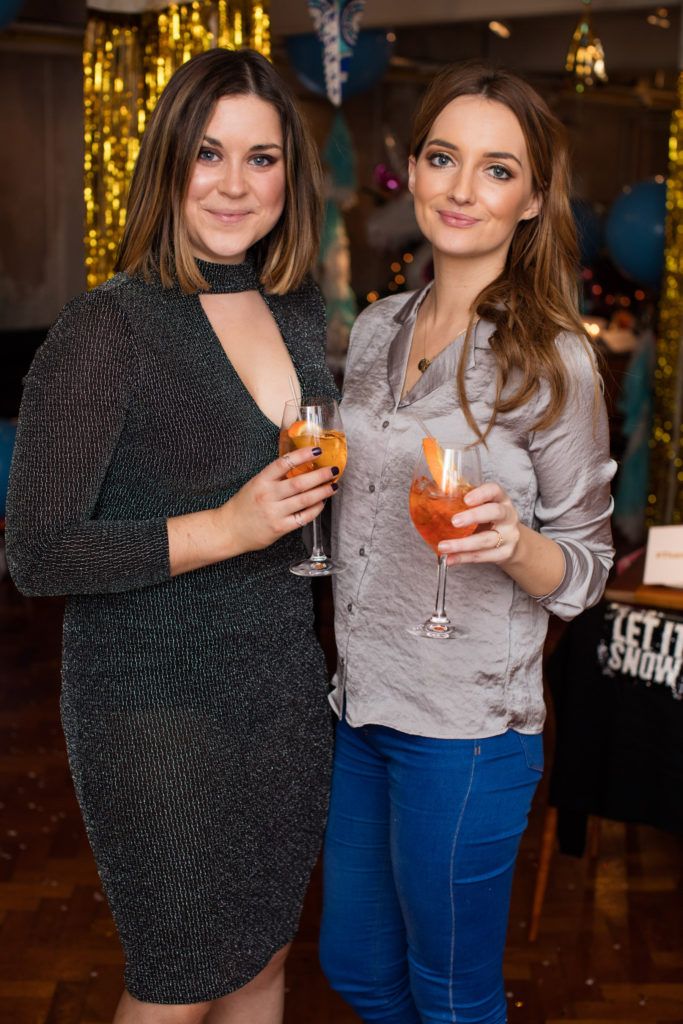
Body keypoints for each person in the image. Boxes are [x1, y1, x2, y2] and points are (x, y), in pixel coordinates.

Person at [6, 48, 340, 1024]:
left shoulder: (295, 309)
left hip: (281, 683)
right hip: (152, 699)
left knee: (264, 962)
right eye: (208, 153)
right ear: (168, 164)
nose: (236, 183)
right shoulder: (105, 329)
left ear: (290, 174)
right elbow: (39, 552)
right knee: (180, 977)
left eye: (261, 157)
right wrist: (226, 525)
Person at [319, 61, 616, 1024]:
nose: (460, 188)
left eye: (497, 169)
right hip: (360, 705)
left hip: (467, 728)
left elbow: (587, 564)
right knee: (359, 968)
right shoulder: (373, 330)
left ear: (531, 199)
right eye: (444, 158)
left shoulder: (552, 356)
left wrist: (515, 543)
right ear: (415, 167)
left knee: (451, 996)